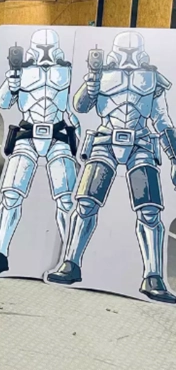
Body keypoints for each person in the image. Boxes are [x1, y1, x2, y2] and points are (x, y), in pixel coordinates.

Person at [46, 31, 176, 303]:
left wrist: (175, 158)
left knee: (150, 210)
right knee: (85, 204)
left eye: (132, 52)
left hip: (140, 142)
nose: (128, 58)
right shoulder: (101, 75)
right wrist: (92, 82)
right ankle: (70, 263)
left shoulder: (152, 79)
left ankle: (153, 276)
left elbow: (162, 120)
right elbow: (80, 106)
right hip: (105, 139)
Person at [0, 29, 79, 275]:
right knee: (10, 195)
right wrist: (11, 84)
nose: (45, 53)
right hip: (27, 133)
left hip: (58, 134)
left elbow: (74, 109)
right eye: (41, 47)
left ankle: (70, 259)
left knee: (67, 198)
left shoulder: (68, 72)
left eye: (49, 47)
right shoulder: (20, 71)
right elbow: (2, 102)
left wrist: (82, 140)